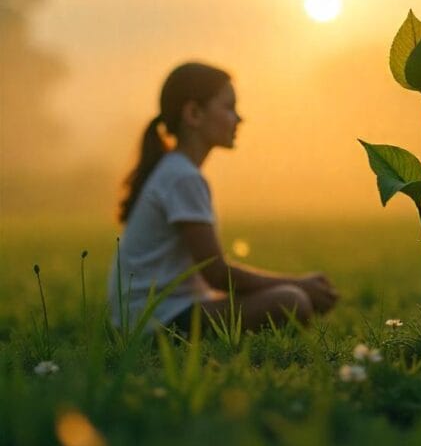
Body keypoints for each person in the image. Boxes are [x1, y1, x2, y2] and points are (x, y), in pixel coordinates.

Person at [107, 62, 339, 335]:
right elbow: (216, 273)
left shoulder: (175, 171)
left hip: (157, 313)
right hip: (158, 320)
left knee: (289, 297)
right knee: (291, 300)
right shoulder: (182, 177)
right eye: (229, 107)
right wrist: (300, 284)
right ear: (194, 114)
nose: (239, 118)